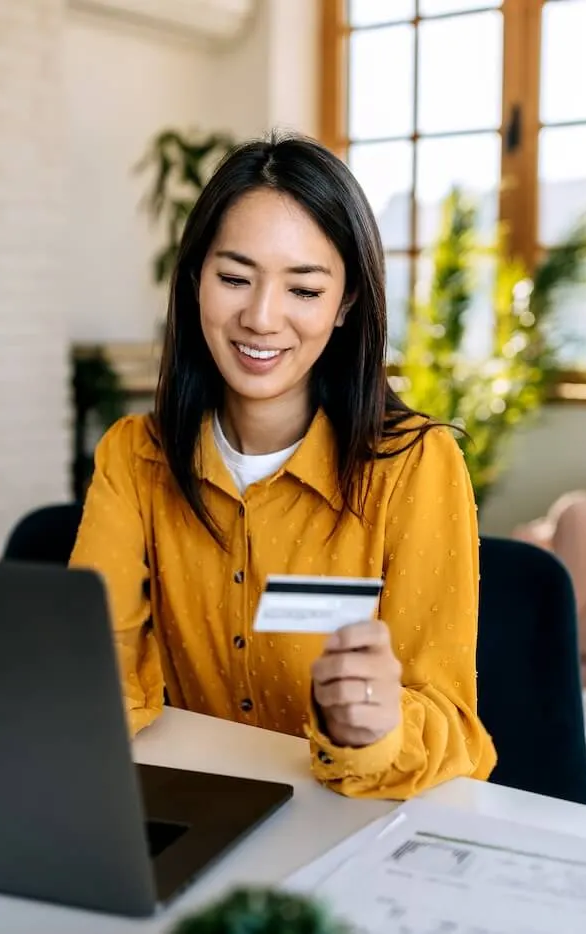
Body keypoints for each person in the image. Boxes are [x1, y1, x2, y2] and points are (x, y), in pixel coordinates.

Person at [69, 130, 497, 799]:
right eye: (235, 278)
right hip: (192, 810)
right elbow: (97, 671)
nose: (261, 318)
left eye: (303, 289)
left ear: (346, 303)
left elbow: (454, 727)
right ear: (195, 281)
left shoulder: (415, 466)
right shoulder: (136, 455)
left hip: (354, 823)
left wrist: (376, 728)